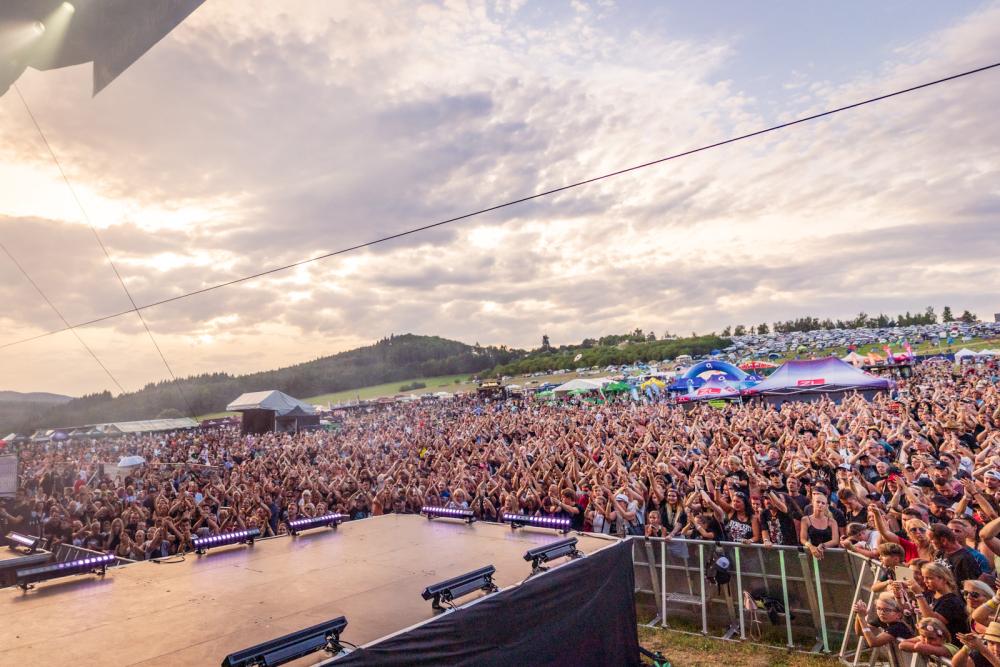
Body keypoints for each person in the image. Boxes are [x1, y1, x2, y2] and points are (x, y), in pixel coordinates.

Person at [907, 561, 970, 640]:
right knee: (904, 643)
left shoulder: (951, 601)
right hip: (935, 640)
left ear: (943, 579)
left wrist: (918, 594)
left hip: (953, 643)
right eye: (924, 577)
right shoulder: (931, 595)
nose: (925, 581)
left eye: (929, 578)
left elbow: (932, 622)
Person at [800, 492, 839, 559]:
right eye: (818, 502)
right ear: (813, 503)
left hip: (830, 554)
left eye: (823, 503)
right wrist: (811, 547)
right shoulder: (805, 519)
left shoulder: (832, 521)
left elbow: (835, 540)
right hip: (814, 553)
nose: (820, 504)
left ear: (826, 506)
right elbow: (803, 539)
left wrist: (822, 545)